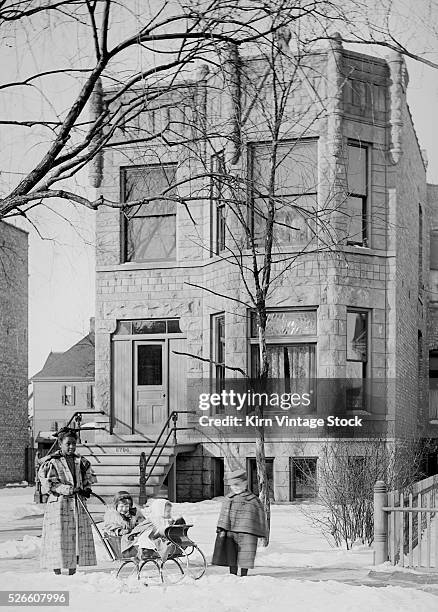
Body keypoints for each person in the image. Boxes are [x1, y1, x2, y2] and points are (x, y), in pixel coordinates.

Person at [38, 427, 97, 575]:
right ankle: (57, 569)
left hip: (77, 503)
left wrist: (86, 488)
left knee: (75, 534)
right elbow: (51, 484)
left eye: (74, 444)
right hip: (59, 504)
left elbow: (87, 477)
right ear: (60, 444)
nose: (71, 447)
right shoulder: (52, 462)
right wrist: (70, 489)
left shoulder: (81, 461)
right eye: (68, 444)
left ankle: (72, 569)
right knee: (59, 536)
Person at [215, 468, 267, 577]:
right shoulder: (229, 499)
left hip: (247, 533)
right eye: (233, 485)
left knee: (246, 555)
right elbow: (224, 514)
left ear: (244, 484)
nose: (235, 488)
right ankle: (232, 574)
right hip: (231, 531)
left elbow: (259, 515)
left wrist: (260, 531)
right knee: (231, 555)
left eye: (237, 485)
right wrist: (221, 527)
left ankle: (244, 575)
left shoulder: (253, 500)